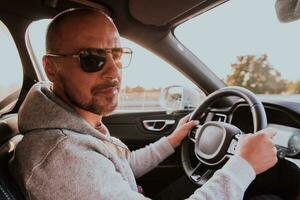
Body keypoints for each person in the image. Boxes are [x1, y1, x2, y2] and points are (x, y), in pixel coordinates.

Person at [9, 8, 278, 200]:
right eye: (91, 58)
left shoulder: (76, 124)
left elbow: (123, 165)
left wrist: (172, 140)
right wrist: (243, 165)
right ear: (52, 68)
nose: (113, 71)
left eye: (116, 54)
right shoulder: (64, 157)